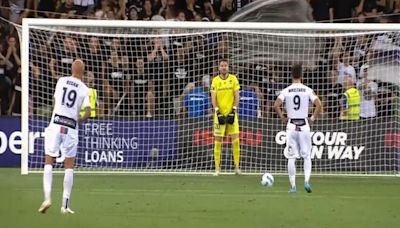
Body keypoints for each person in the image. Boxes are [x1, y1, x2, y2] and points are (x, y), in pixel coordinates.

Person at [38, 59, 91, 214]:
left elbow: (55, 101)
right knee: (69, 166)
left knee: (49, 160)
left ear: (71, 69)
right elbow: (88, 112)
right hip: (71, 127)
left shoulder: (61, 81)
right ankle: (65, 205)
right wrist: (79, 119)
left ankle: (47, 198)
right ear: (83, 72)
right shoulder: (84, 89)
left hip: (56, 123)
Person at [274, 63, 322, 193]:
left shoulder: (286, 90)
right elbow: (319, 104)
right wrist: (312, 118)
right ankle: (306, 181)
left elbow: (276, 105)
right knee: (306, 156)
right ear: (302, 76)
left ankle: (293, 186)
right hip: (304, 125)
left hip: (291, 125)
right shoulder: (307, 89)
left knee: (291, 157)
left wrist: (282, 117)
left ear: (291, 75)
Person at [211, 59, 241, 176]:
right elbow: (213, 98)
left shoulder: (233, 79)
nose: (224, 67)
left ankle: (237, 167)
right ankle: (217, 169)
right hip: (219, 115)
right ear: (219, 68)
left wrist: (233, 110)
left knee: (236, 141)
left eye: (225, 65)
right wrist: (217, 112)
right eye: (222, 66)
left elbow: (237, 96)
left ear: (228, 67)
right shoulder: (215, 80)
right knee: (218, 142)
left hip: (231, 114)